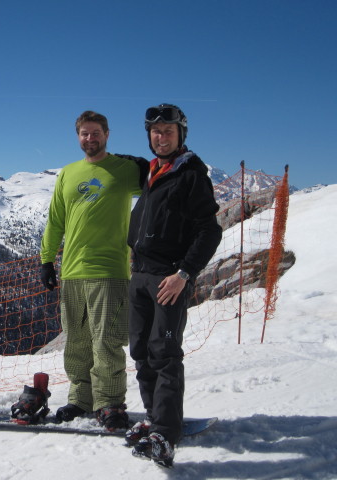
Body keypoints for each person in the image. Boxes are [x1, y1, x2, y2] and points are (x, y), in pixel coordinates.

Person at [124, 104, 222, 467]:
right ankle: (154, 417)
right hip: (141, 275)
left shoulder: (190, 173)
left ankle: (165, 433)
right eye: (155, 131)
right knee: (140, 352)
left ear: (181, 134)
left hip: (168, 277)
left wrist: (184, 274)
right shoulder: (154, 171)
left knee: (164, 355)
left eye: (168, 130)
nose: (160, 136)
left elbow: (209, 230)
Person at [40, 110, 148, 431]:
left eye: (96, 133)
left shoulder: (124, 170)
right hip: (72, 270)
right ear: (78, 137)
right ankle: (80, 400)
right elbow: (56, 219)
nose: (90, 138)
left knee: (107, 341)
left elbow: (161, 183)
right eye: (85, 134)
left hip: (110, 269)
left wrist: (146, 167)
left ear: (107, 134)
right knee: (76, 340)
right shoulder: (68, 173)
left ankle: (109, 404)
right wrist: (47, 260)